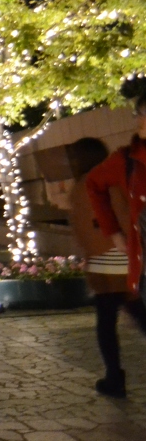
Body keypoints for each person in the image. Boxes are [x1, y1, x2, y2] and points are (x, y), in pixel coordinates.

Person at [69, 135, 146, 398]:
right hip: (127, 261)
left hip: (104, 265)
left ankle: (114, 378)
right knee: (138, 313)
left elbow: (84, 230)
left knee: (106, 324)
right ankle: (113, 378)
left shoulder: (84, 185)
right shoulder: (114, 178)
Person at [85, 83, 146, 397]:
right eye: (139, 115)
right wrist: (114, 233)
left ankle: (113, 377)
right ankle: (113, 376)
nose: (139, 120)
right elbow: (93, 184)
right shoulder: (127, 160)